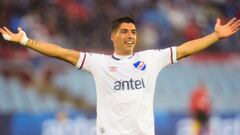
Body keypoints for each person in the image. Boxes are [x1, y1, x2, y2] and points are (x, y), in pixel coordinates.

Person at [0, 16, 239, 135]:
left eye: (133, 31)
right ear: (113, 36)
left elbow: (185, 49)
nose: (130, 35)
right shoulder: (99, 63)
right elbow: (62, 52)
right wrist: (25, 40)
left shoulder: (151, 59)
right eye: (124, 31)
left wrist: (215, 36)